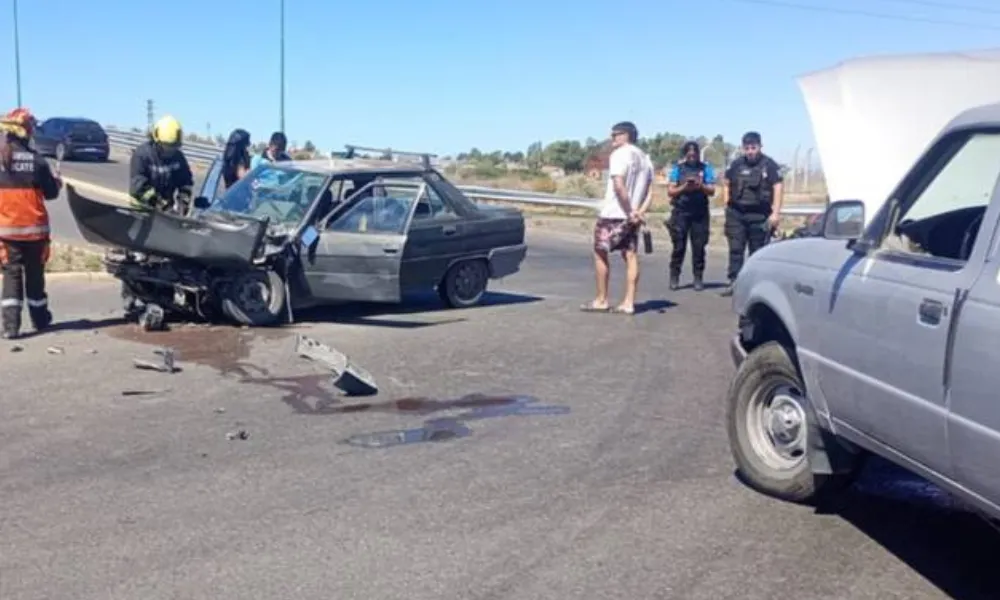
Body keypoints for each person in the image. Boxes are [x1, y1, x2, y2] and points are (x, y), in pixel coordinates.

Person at [0, 108, 62, 340]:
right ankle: (40, 320)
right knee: (35, 276)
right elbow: (51, 193)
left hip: (7, 231)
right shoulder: (38, 161)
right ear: (25, 131)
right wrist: (57, 182)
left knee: (11, 277)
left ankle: (10, 327)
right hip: (35, 232)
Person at [581, 121, 654, 316]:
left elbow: (618, 185)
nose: (612, 137)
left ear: (627, 135)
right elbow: (649, 191)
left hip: (614, 213)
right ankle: (628, 302)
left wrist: (630, 209)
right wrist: (639, 212)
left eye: (616, 134)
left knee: (600, 252)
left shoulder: (620, 155)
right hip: (633, 215)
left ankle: (602, 299)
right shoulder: (645, 159)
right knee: (630, 255)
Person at [720, 131, 783, 297]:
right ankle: (734, 281)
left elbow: (778, 187)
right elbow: (726, 182)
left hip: (759, 215)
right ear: (743, 148)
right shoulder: (736, 164)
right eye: (747, 148)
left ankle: (755, 284)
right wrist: (726, 203)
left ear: (760, 146)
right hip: (736, 214)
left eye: (753, 147)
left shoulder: (769, 165)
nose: (750, 151)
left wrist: (775, 213)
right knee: (735, 249)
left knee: (757, 252)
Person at [665, 140, 716, 291]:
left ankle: (698, 277)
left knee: (699, 247)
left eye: (694, 152)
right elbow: (670, 191)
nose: (692, 155)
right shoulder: (678, 169)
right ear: (685, 154)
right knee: (679, 247)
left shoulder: (705, 168)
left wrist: (701, 186)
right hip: (681, 212)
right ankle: (674, 276)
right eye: (689, 152)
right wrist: (684, 187)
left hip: (700, 213)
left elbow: (712, 191)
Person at [129, 114, 195, 215]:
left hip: (166, 213)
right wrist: (162, 206)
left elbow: (185, 183)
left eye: (174, 147)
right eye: (167, 147)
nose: (170, 152)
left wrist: (182, 205)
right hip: (141, 211)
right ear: (156, 141)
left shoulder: (178, 158)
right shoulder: (142, 155)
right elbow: (138, 187)